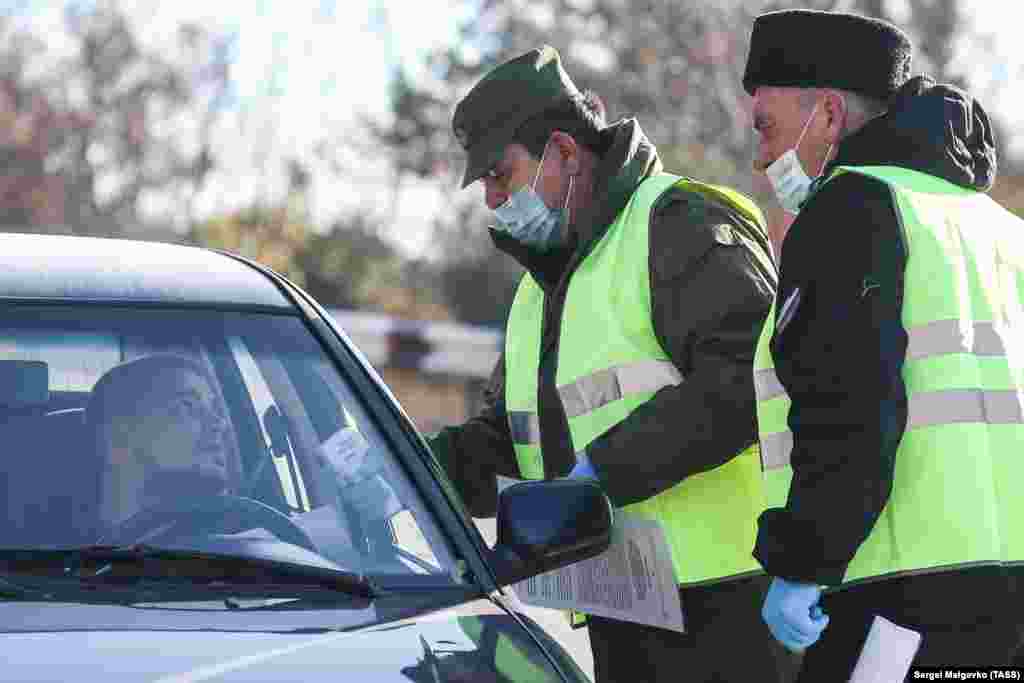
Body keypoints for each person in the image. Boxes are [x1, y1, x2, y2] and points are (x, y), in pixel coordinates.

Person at [429, 45, 790, 682]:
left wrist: (598, 475)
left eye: (500, 176)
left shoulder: (681, 224)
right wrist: (407, 468)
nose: (492, 201)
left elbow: (742, 383)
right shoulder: (539, 293)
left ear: (565, 154)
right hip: (621, 614)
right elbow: (512, 446)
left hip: (729, 613)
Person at [743, 9, 1024, 677]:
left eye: (768, 128)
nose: (761, 156)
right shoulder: (1000, 228)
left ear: (831, 116)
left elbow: (848, 408)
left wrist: (805, 559)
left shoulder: (849, 211)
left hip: (897, 603)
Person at [86, 354, 237, 538]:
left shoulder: (240, 552)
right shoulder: (50, 560)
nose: (220, 423)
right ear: (120, 434)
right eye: (187, 405)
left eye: (213, 408)